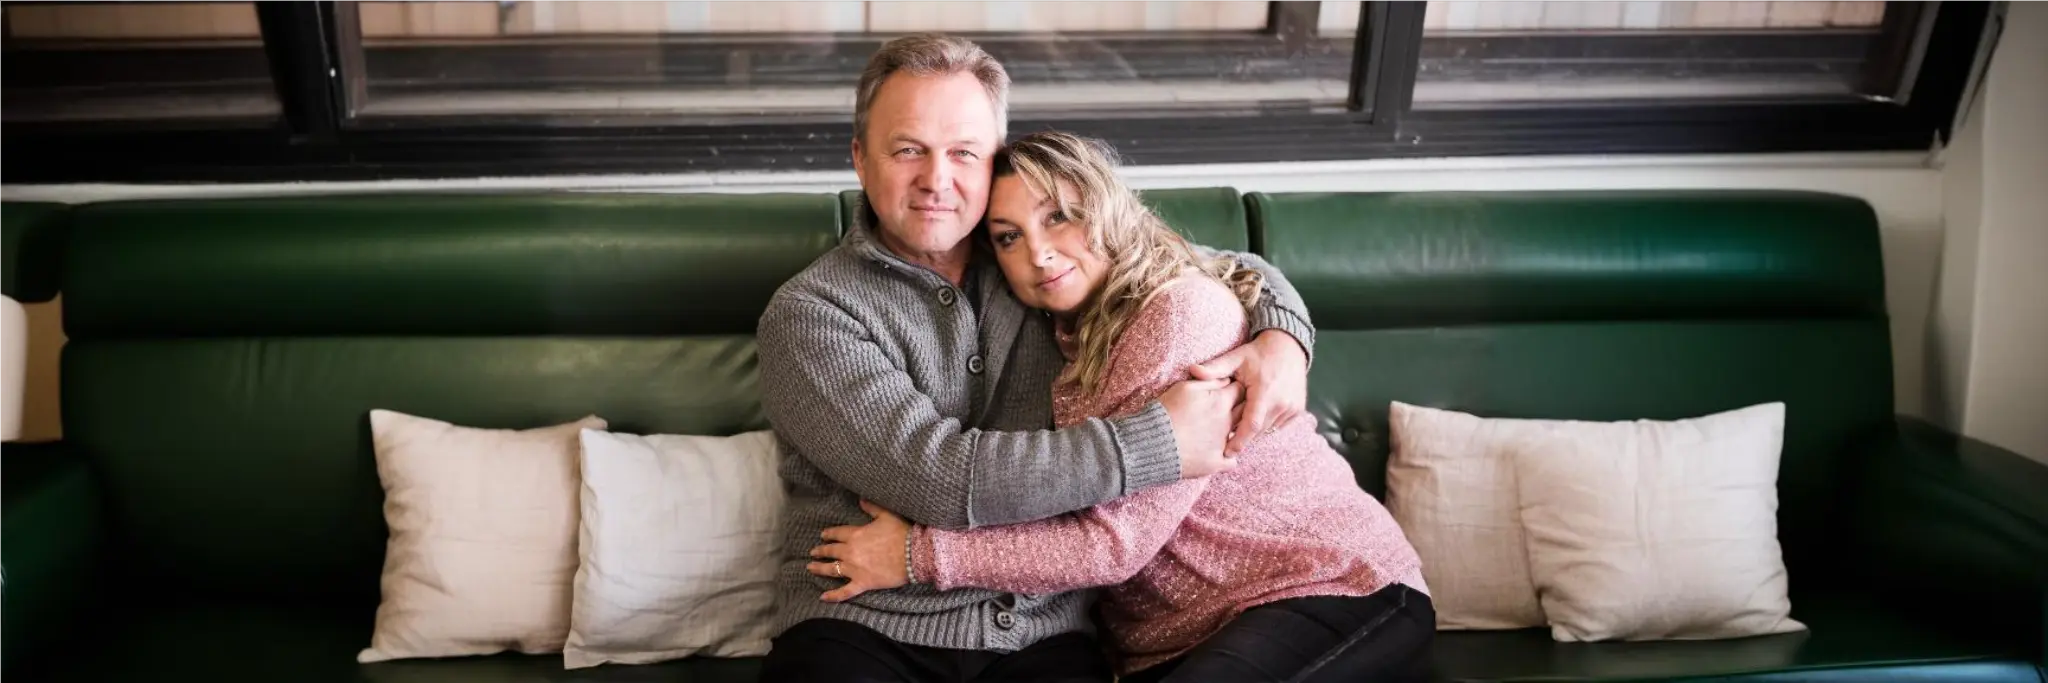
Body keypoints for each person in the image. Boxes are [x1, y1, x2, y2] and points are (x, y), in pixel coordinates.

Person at [755, 35, 1321, 682]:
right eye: (908, 149)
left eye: (963, 153)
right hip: (863, 619)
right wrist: (1157, 442)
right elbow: (939, 477)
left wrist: (1284, 338)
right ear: (860, 158)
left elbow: (1229, 267)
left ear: (993, 162)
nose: (937, 180)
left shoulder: (1040, 257)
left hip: (1038, 631)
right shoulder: (810, 314)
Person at [804, 131, 1434, 683]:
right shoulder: (1051, 324)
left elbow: (1115, 544)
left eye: (1060, 217)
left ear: (1107, 208)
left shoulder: (1176, 311)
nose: (1038, 254)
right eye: (1008, 237)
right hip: (1168, 643)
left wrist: (917, 555)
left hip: (1325, 586)